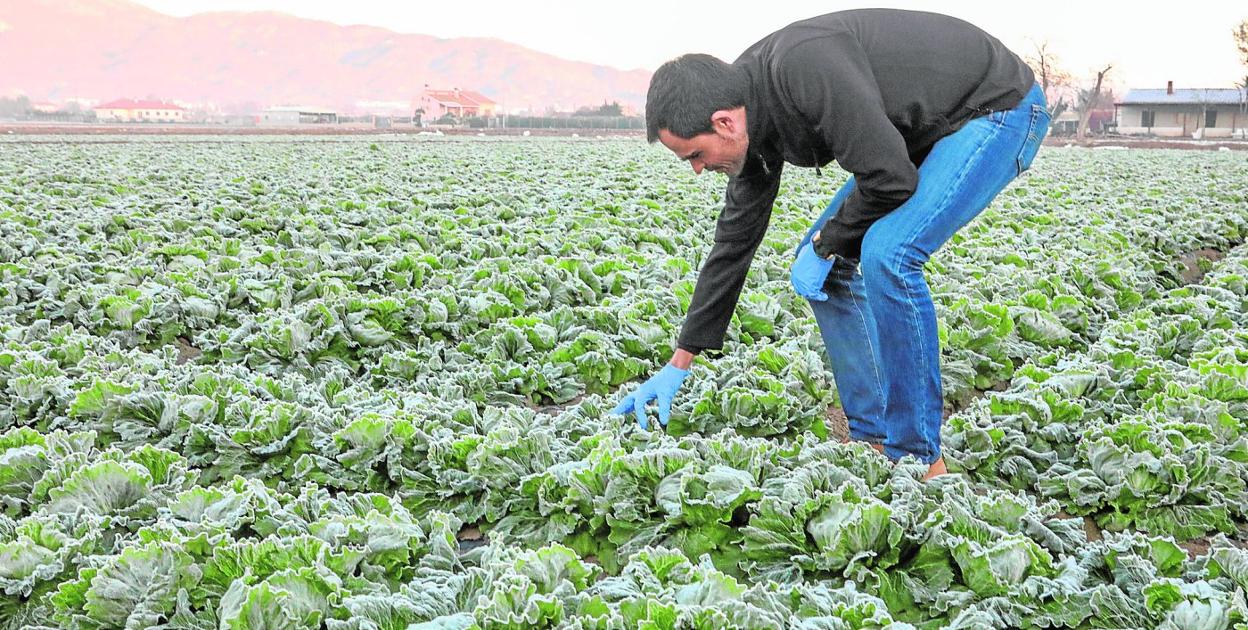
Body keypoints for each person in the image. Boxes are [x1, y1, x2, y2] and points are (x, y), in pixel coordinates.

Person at [611, 8, 1049, 480]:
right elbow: (734, 242)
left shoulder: (802, 67)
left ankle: (920, 458)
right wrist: (682, 358)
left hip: (997, 108)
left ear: (723, 124)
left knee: (889, 255)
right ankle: (874, 435)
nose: (697, 169)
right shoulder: (746, 109)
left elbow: (889, 179)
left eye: (695, 156)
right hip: (921, 130)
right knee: (830, 269)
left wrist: (825, 243)